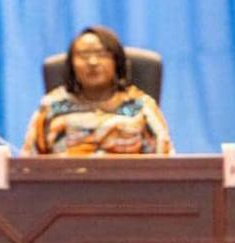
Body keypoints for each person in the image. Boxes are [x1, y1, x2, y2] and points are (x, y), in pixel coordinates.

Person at [23, 26, 172, 155]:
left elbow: (166, 165)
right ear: (71, 65)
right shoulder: (51, 107)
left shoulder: (142, 107)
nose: (92, 62)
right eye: (83, 55)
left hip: (128, 187)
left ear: (117, 61)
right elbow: (29, 166)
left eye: (102, 54)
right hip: (65, 187)